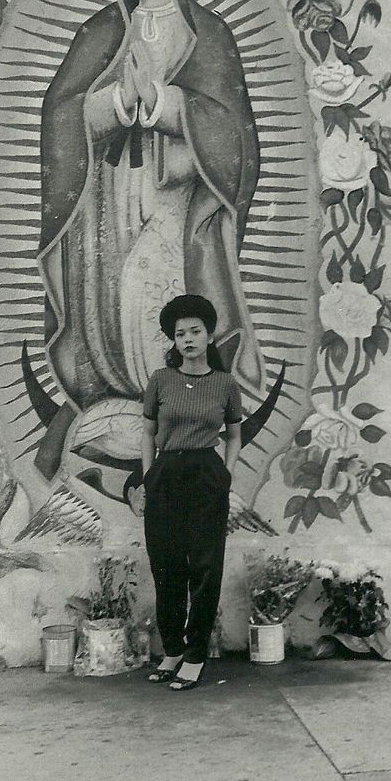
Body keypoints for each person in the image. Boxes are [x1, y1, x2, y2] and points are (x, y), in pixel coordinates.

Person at [37, 0, 266, 458]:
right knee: (113, 292)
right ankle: (126, 396)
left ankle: (169, 396)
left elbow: (233, 126)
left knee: (154, 279)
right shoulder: (102, 32)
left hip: (177, 191)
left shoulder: (206, 33)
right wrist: (117, 100)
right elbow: (60, 108)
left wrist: (165, 103)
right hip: (110, 189)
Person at [140, 293, 241, 691]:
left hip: (205, 475)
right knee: (166, 565)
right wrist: (149, 476)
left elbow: (234, 435)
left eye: (195, 331)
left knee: (203, 567)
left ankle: (195, 654)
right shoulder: (160, 380)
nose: (187, 339)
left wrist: (226, 474)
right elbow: (147, 432)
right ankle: (172, 650)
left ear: (209, 335)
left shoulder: (225, 384)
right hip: (166, 474)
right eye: (179, 333)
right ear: (174, 341)